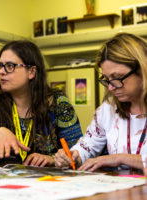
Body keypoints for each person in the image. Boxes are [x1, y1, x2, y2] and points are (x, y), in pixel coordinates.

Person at [0, 40, 82, 166]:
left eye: (9, 66)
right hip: (4, 181)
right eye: (0, 65)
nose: (1, 71)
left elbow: (78, 152)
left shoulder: (58, 103)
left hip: (47, 181)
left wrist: (52, 159)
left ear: (31, 72)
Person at [54, 33, 147, 171]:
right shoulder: (108, 109)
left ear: (142, 69)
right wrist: (73, 155)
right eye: (107, 79)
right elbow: (88, 145)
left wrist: (119, 158)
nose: (110, 87)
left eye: (118, 77)